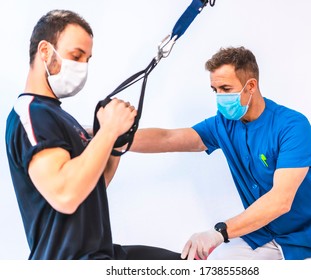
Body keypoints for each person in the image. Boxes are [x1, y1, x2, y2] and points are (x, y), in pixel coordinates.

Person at [130, 46, 311, 260]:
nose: (219, 97)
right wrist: (111, 137)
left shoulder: (292, 126)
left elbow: (281, 200)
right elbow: (168, 138)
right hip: (264, 233)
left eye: (225, 88)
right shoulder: (225, 124)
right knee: (215, 265)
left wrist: (220, 232)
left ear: (251, 86)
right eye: (215, 90)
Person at [5, 9, 181, 260]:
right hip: (70, 262)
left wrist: (117, 140)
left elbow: (95, 185)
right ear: (44, 51)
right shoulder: (32, 113)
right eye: (75, 56)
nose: (81, 67)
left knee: (190, 263)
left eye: (86, 60)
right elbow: (65, 195)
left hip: (100, 253)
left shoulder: (59, 116)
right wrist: (108, 131)